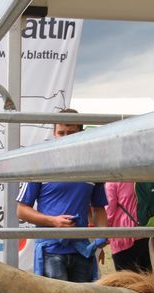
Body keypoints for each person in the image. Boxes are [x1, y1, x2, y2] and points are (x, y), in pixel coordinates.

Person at [16, 109, 108, 282]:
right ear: (54, 133)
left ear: (81, 133)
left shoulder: (93, 166)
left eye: (71, 133)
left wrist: (102, 238)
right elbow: (21, 210)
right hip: (51, 250)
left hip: (82, 249)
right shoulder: (40, 163)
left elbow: (98, 208)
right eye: (61, 133)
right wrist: (53, 221)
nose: (65, 137)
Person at [105, 182, 154, 273]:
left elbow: (108, 214)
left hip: (127, 238)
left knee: (127, 284)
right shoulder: (149, 174)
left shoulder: (115, 181)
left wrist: (102, 235)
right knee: (150, 281)